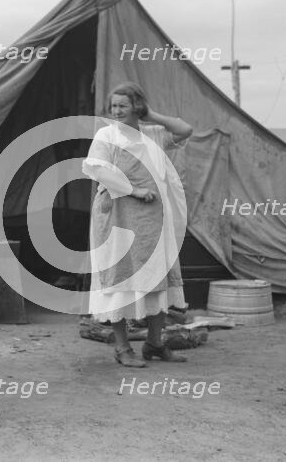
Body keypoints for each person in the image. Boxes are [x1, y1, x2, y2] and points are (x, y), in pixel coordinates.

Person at [82, 82, 193, 367]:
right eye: (114, 105)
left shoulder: (153, 134)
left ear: (137, 107)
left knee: (156, 276)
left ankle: (155, 344)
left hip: (152, 219)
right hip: (117, 215)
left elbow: (185, 130)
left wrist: (152, 116)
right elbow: (96, 169)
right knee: (121, 278)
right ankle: (122, 348)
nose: (116, 111)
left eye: (123, 105)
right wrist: (134, 191)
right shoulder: (107, 135)